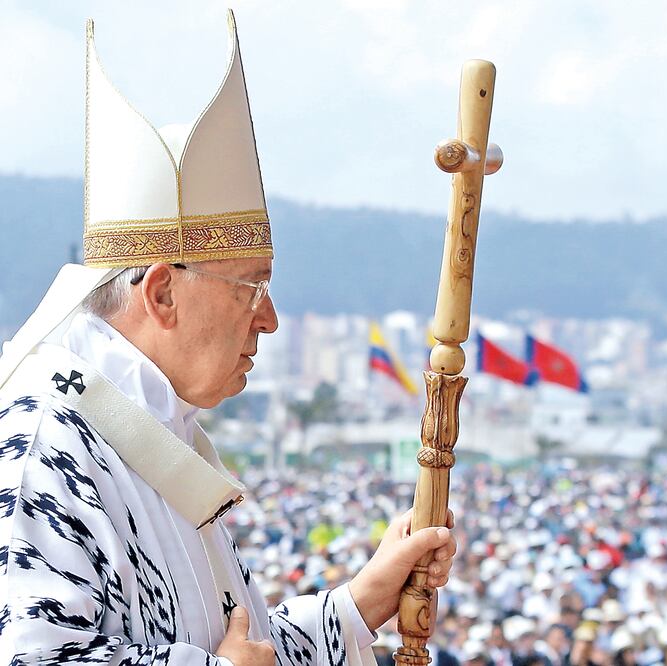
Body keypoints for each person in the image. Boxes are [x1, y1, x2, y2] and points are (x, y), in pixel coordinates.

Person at [0, 11, 456, 666]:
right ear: (161, 293)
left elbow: (240, 649)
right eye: (250, 287)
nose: (268, 319)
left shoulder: (146, 432)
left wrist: (359, 605)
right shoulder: (44, 446)